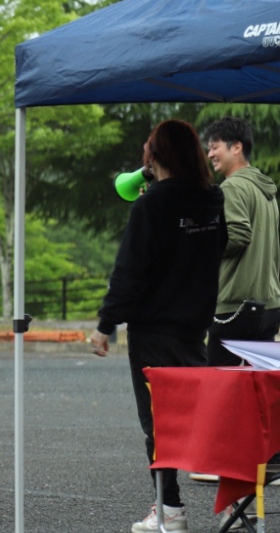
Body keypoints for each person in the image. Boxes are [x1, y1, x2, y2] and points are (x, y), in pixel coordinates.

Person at [89, 119, 227, 533]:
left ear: (156, 156)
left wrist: (105, 324)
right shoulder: (212, 198)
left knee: (159, 423)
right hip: (195, 328)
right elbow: (218, 248)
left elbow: (129, 271)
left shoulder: (151, 205)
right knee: (203, 418)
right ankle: (233, 503)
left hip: (153, 332)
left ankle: (170, 509)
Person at [203, 116, 280, 364]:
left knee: (220, 383)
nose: (210, 154)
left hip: (236, 307)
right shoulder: (266, 190)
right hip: (269, 306)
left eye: (215, 147)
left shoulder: (232, 187)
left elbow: (237, 235)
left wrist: (202, 248)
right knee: (258, 383)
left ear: (236, 147)